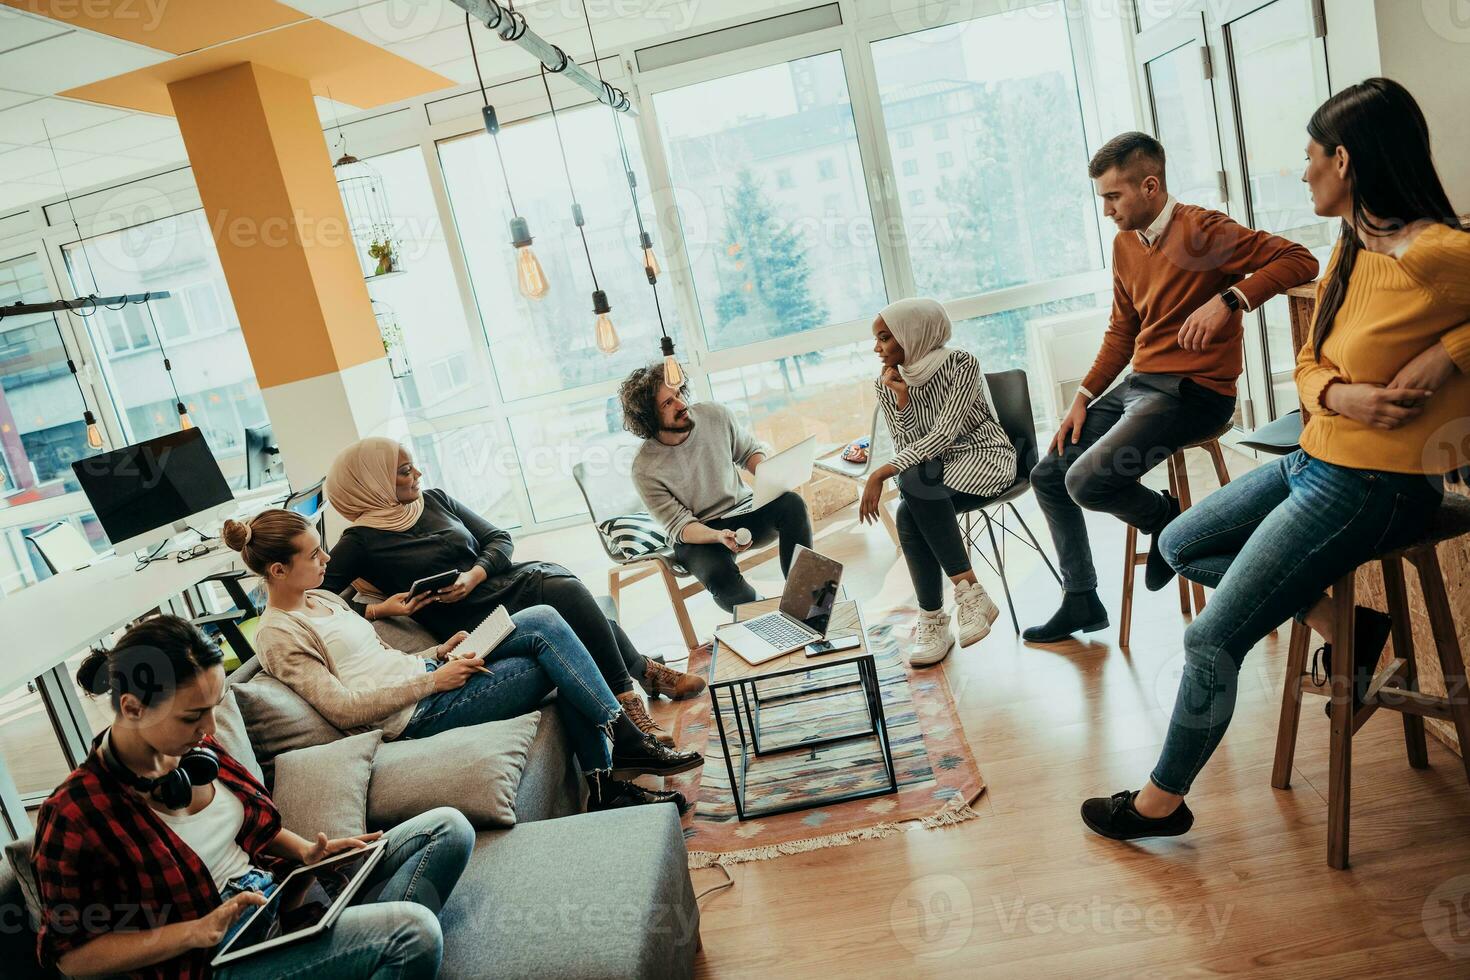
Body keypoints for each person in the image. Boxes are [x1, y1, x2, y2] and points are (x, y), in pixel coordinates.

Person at [1081, 78, 1468, 842]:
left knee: (1208, 637)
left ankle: (1162, 801)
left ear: (1346, 160)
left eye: (1310, 156)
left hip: (1378, 484)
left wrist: (1452, 351)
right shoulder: (1354, 244)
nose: (1304, 171)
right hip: (1317, 456)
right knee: (1179, 541)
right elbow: (1309, 359)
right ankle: (1346, 629)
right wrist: (1338, 398)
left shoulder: (1441, 253)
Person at [31, 615, 474, 980]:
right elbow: (73, 959)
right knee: (412, 933)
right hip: (216, 961)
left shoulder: (196, 750)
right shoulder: (73, 814)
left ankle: (348, 950)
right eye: (192, 716)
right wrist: (195, 933)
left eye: (213, 706)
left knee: (447, 828)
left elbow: (251, 829)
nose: (208, 729)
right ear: (131, 708)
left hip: (277, 904)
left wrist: (307, 852)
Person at [1024, 132, 1319, 643]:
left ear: (1151, 186)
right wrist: (1082, 396)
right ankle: (1082, 599)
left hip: (1195, 393)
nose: (1107, 210)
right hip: (1141, 386)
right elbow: (1122, 331)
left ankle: (1169, 521)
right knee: (1049, 474)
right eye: (1103, 199)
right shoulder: (1124, 246)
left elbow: (1299, 259)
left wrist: (1231, 299)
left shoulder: (1205, 231)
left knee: (1086, 480)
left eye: (1113, 197)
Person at [229, 509, 700, 812]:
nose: (327, 559)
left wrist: (436, 654)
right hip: (417, 715)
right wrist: (434, 683)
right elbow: (344, 708)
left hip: (431, 676)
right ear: (278, 571)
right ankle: (622, 753)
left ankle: (612, 772)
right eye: (315, 554)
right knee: (552, 661)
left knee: (543, 617)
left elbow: (375, 657)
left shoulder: (322, 599)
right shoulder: (278, 634)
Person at [320, 437, 704, 747]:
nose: (417, 474)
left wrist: (475, 573)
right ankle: (633, 691)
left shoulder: (434, 499)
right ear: (373, 485)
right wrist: (379, 610)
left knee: (568, 595)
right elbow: (317, 601)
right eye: (405, 472)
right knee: (567, 594)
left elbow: (498, 539)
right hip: (469, 621)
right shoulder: (359, 543)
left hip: (498, 583)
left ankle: (639, 681)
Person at [859, 298, 1013, 666]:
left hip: (983, 455)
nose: (876, 348)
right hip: (933, 471)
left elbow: (944, 434)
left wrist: (881, 472)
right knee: (911, 507)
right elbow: (907, 445)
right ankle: (943, 613)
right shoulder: (890, 380)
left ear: (914, 335)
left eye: (884, 338)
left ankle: (961, 598)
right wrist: (902, 398)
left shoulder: (961, 364)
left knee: (911, 489)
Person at [622, 364, 814, 613]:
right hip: (698, 534)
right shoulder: (645, 468)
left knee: (792, 504)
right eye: (667, 404)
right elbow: (680, 525)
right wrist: (718, 536)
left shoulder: (715, 415)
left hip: (742, 510)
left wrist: (772, 476)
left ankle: (805, 602)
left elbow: (748, 452)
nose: (681, 405)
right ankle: (765, 619)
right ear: (648, 418)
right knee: (719, 575)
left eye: (678, 394)